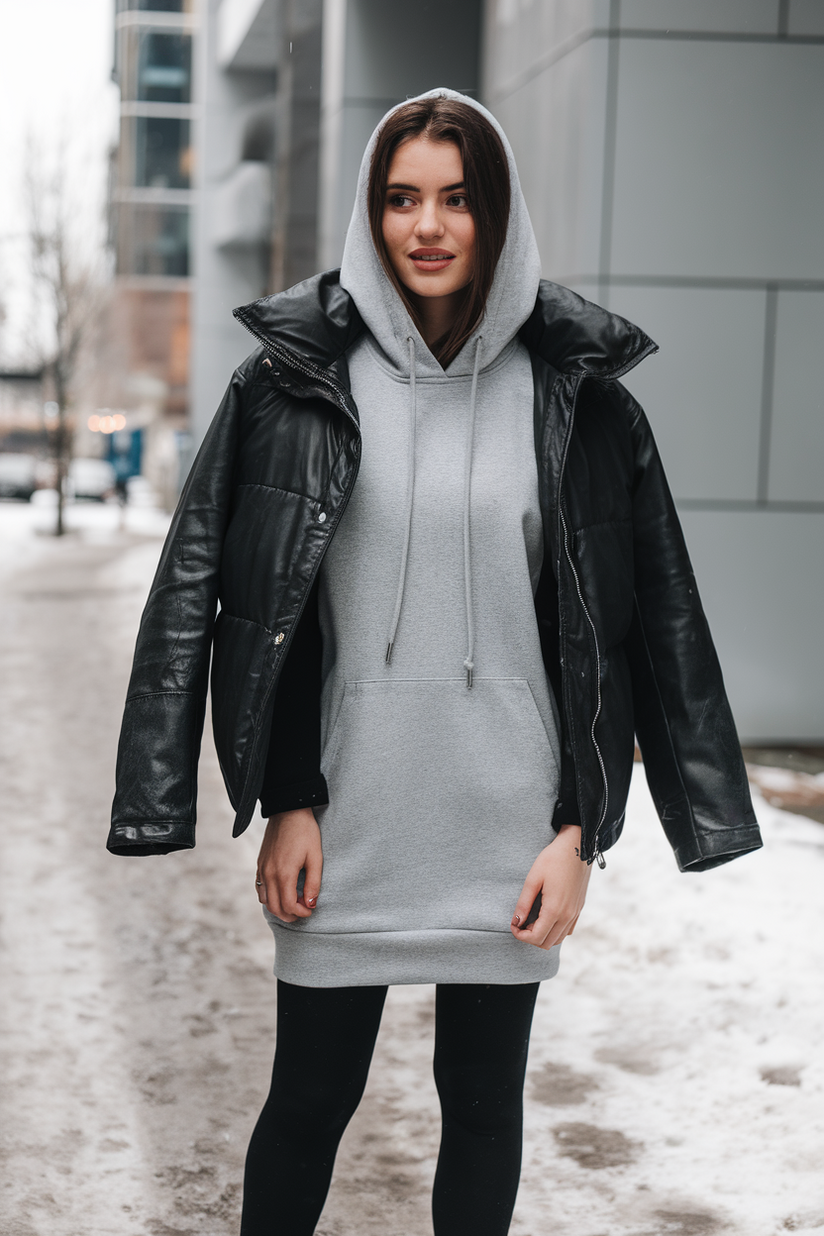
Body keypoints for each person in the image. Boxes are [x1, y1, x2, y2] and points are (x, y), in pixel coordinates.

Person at [108, 89, 762, 1235]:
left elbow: (640, 619)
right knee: (310, 1099)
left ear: (494, 215)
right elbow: (218, 595)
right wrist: (289, 800)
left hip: (510, 827)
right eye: (401, 197)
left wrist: (577, 832)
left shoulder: (582, 400)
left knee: (480, 1108)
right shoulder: (287, 386)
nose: (427, 225)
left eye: (457, 200)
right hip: (346, 821)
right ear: (371, 214)